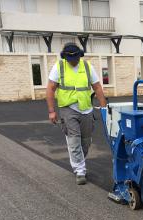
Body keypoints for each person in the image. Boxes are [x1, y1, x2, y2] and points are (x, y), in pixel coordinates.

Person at [46, 42, 107, 185]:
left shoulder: (87, 67)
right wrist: (51, 111)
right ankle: (80, 170)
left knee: (85, 142)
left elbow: (97, 87)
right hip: (68, 109)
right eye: (70, 58)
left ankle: (79, 161)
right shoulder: (59, 67)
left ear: (80, 56)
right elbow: (50, 89)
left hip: (86, 108)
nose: (73, 61)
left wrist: (104, 108)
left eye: (76, 58)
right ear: (65, 57)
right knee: (74, 140)